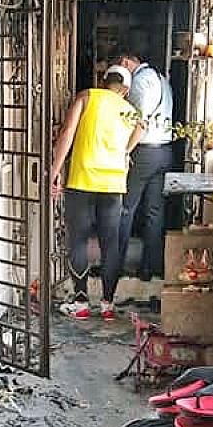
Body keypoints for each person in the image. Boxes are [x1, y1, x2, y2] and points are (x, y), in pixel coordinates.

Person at [50, 65, 144, 321]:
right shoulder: (130, 111)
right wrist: (126, 152)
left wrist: (55, 171)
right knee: (110, 244)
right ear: (125, 90)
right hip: (113, 185)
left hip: (81, 180)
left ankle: (80, 302)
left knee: (78, 240)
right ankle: (107, 305)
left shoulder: (87, 97)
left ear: (103, 81)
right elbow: (141, 129)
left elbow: (67, 133)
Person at [117, 53, 180, 304]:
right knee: (155, 212)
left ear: (125, 63)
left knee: (125, 208)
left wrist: (125, 151)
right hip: (164, 150)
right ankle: (149, 268)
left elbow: (139, 123)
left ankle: (116, 265)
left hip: (144, 152)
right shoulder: (162, 79)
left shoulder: (141, 81)